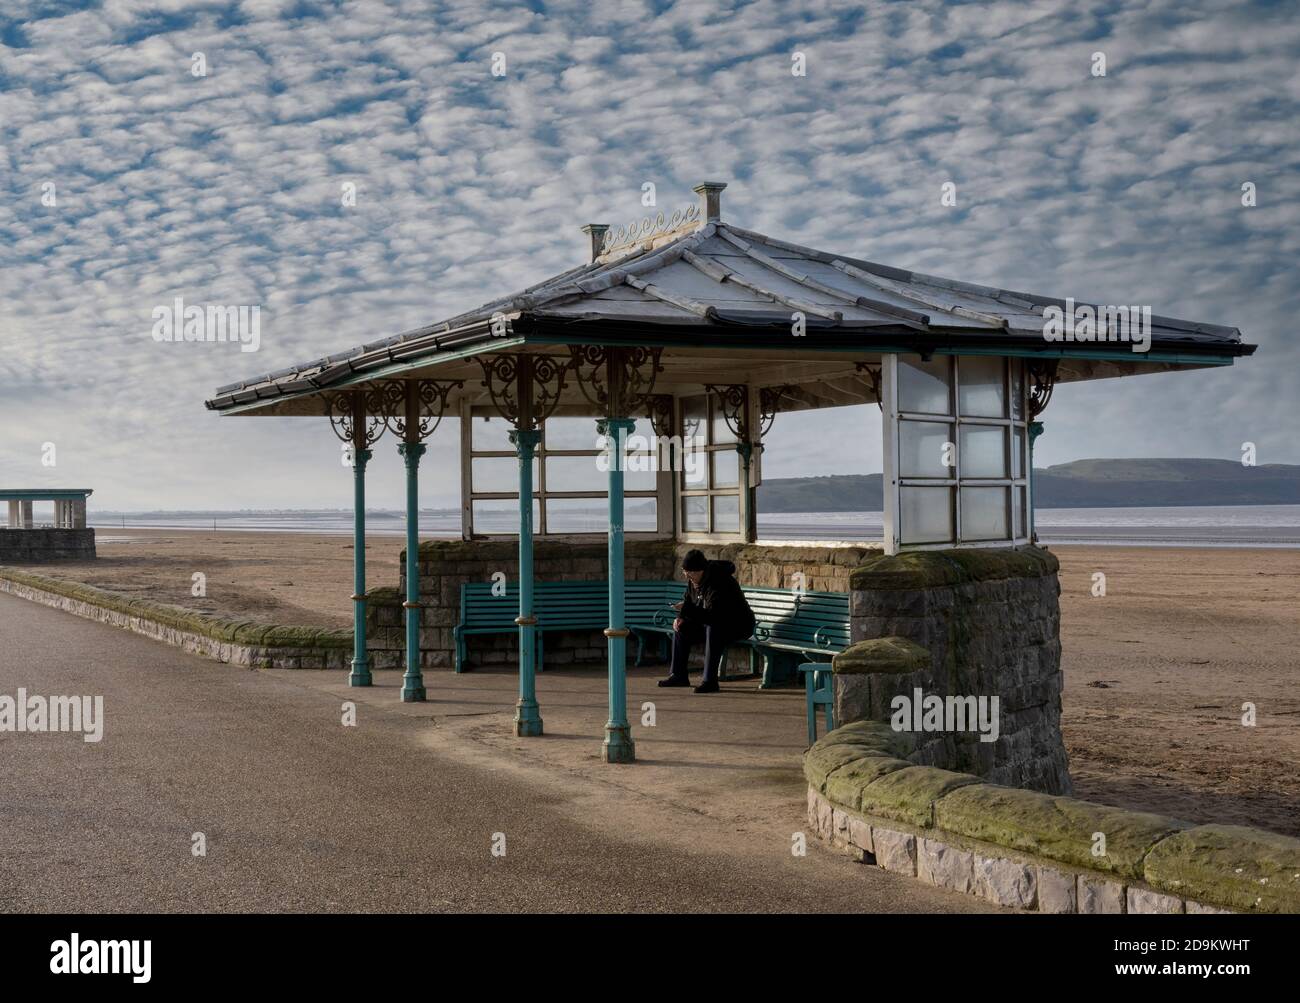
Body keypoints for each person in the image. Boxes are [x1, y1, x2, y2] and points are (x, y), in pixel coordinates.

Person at [658, 549, 756, 694]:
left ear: (699, 570)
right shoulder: (694, 581)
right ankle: (678, 675)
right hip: (712, 623)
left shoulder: (720, 582)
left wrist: (687, 609)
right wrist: (681, 618)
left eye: (689, 572)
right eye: (685, 571)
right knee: (681, 628)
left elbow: (714, 616)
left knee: (714, 628)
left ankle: (710, 681)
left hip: (738, 626)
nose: (686, 576)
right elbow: (689, 603)